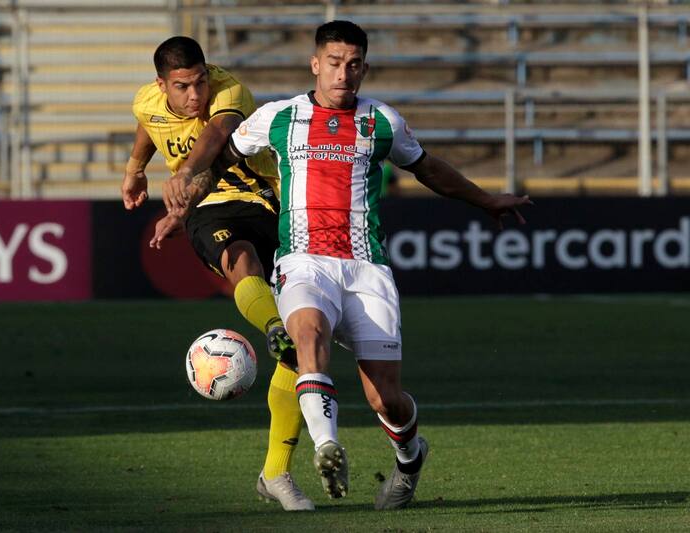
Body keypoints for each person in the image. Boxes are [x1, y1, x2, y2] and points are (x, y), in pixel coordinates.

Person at [160, 21, 533, 510]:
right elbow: (222, 154)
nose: (344, 73)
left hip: (366, 268)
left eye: (354, 64)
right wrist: (183, 201)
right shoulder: (279, 117)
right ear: (316, 64)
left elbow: (427, 167)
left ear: (365, 68)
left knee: (386, 400)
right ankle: (327, 446)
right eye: (334, 63)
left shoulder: (382, 122)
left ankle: (410, 457)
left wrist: (485, 201)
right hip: (303, 261)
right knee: (306, 337)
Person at [120, 36, 314, 511]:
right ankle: (273, 327)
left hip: (271, 202)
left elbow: (214, 138)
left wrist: (182, 175)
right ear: (161, 84)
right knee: (240, 260)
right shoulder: (146, 101)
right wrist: (135, 168)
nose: (196, 95)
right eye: (183, 86)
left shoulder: (231, 94)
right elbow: (150, 124)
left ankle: (276, 475)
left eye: (201, 81)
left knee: (299, 355)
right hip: (211, 209)